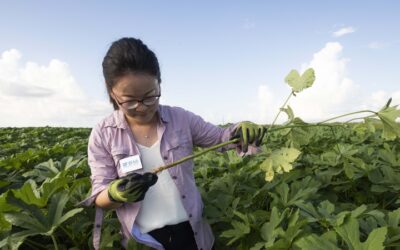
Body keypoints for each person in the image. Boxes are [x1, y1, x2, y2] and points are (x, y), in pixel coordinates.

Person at [80, 37, 266, 250]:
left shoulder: (181, 119)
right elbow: (99, 196)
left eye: (150, 96)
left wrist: (241, 130)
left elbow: (220, 139)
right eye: (130, 100)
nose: (141, 107)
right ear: (111, 91)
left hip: (192, 233)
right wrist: (116, 193)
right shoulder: (103, 134)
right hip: (145, 241)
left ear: (159, 82)